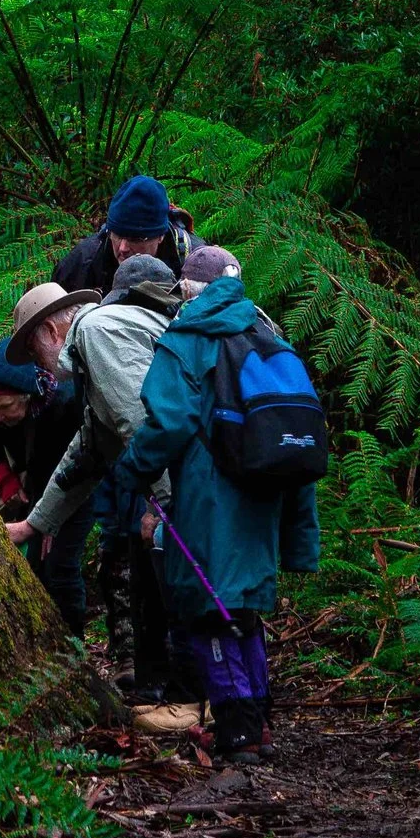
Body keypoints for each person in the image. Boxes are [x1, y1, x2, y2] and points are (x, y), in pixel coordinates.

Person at [112, 266, 322, 762]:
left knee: (209, 610)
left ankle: (237, 731)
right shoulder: (264, 332)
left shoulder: (188, 338)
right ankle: (258, 724)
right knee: (241, 607)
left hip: (212, 490)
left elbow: (169, 421)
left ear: (187, 289)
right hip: (265, 489)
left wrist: (132, 469)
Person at [7, 250, 193, 699]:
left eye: (34, 351)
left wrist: (162, 505)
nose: (39, 366)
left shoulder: (96, 332)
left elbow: (142, 421)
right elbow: (89, 452)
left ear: (52, 332)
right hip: (206, 466)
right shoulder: (106, 336)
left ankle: (202, 705)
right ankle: (189, 698)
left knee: (183, 581)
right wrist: (35, 524)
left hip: (199, 480)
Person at [0, 344, 89, 630]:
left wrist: (49, 519)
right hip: (28, 469)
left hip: (77, 479)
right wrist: (7, 482)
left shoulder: (63, 401)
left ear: (26, 395)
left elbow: (70, 464)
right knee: (37, 563)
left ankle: (74, 644)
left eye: (5, 407)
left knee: (60, 564)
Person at [52, 174, 197, 294]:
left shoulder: (195, 263)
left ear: (160, 236)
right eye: (117, 235)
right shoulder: (79, 266)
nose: (122, 248)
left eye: (135, 239)